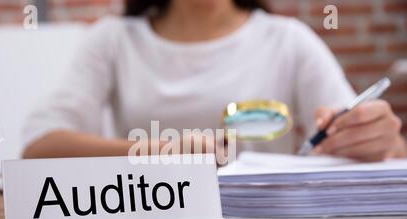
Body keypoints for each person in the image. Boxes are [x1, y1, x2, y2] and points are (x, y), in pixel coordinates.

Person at [22, 0, 407, 162]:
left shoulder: (288, 39)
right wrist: (155, 155)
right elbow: (40, 147)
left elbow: (372, 144)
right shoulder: (113, 39)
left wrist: (381, 141)